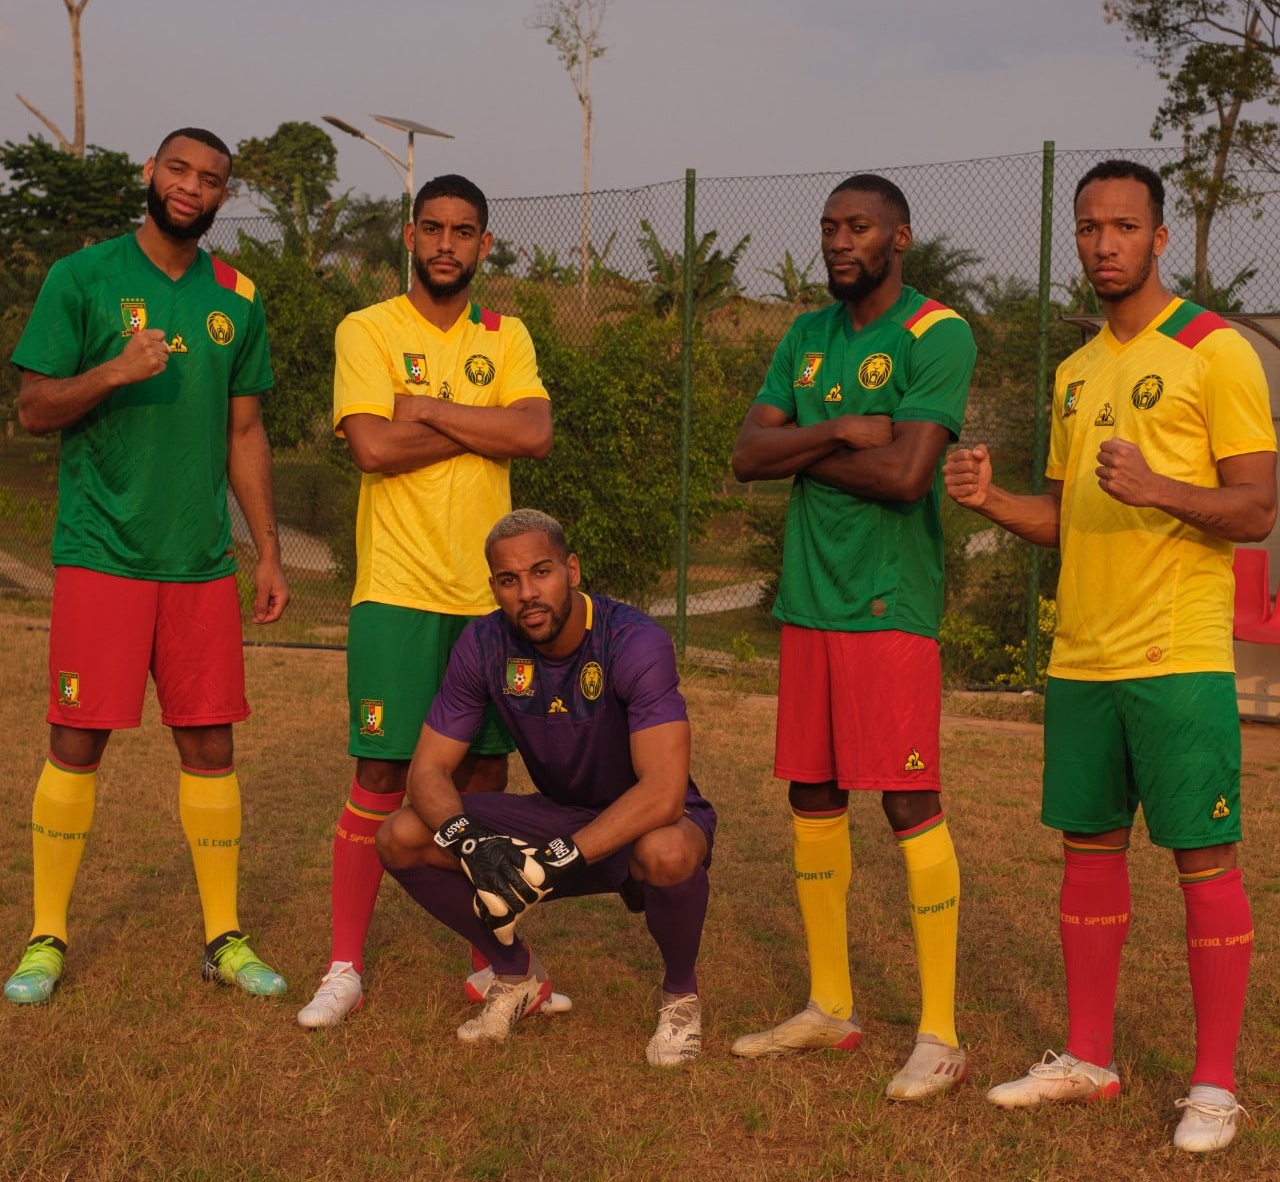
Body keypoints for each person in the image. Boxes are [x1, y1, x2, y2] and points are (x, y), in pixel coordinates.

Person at [944, 159, 1275, 1154]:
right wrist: (991, 502)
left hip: (1173, 652)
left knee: (1199, 855)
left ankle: (1212, 1084)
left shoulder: (1214, 353)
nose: (1102, 243)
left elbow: (1255, 506)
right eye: (1088, 227)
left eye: (1122, 226)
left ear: (1158, 238)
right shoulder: (1074, 370)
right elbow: (1066, 513)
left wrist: (1159, 487)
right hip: (1081, 655)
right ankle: (1087, 1056)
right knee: (1086, 848)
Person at [5, 127, 290, 1005]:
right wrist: (113, 372)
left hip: (200, 562)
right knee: (77, 737)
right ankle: (46, 936)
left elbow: (244, 431)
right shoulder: (82, 278)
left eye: (210, 180)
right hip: (103, 553)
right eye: (178, 170)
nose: (191, 188)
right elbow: (33, 409)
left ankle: (223, 937)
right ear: (150, 174)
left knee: (210, 742)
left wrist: (267, 549)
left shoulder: (237, 297)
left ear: (220, 198)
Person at [729, 174, 976, 1100]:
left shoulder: (937, 333)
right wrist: (837, 430)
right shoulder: (805, 334)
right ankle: (830, 1005)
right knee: (814, 793)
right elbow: (747, 455)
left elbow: (911, 473)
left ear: (899, 236)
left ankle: (941, 1033)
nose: (840, 241)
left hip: (887, 605)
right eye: (830, 226)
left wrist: (805, 447)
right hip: (809, 603)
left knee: (907, 802)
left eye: (859, 226)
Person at [298, 175, 555, 1028]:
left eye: (465, 232)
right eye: (434, 229)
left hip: (492, 603)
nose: (448, 245)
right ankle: (343, 967)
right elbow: (371, 448)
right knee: (382, 772)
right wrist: (477, 417)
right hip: (398, 591)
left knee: (483, 778)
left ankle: (494, 966)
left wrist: (430, 410)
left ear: (486, 245)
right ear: (410, 237)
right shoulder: (366, 328)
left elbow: (534, 434)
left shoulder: (508, 333)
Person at [374, 508, 716, 1066]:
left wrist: (559, 858)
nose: (527, 593)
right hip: (561, 812)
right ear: (494, 587)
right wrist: (471, 843)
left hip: (643, 821)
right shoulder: (483, 644)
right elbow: (427, 772)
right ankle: (516, 975)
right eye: (509, 581)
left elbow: (663, 793)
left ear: (572, 570)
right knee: (403, 834)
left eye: (541, 572)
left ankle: (680, 996)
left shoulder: (634, 640)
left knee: (668, 850)